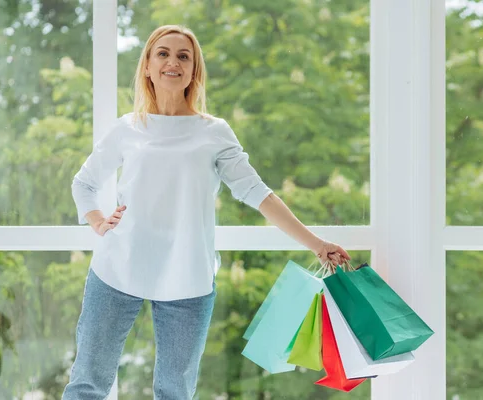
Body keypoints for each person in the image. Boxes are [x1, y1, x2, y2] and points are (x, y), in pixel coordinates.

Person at [62, 24, 351, 400]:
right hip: (117, 269)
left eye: (184, 56)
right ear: (147, 66)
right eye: (163, 53)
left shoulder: (214, 132)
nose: (173, 62)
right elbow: (83, 183)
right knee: (87, 384)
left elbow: (258, 194)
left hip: (187, 278)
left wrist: (316, 243)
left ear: (194, 71)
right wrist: (98, 220)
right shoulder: (128, 128)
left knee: (175, 391)